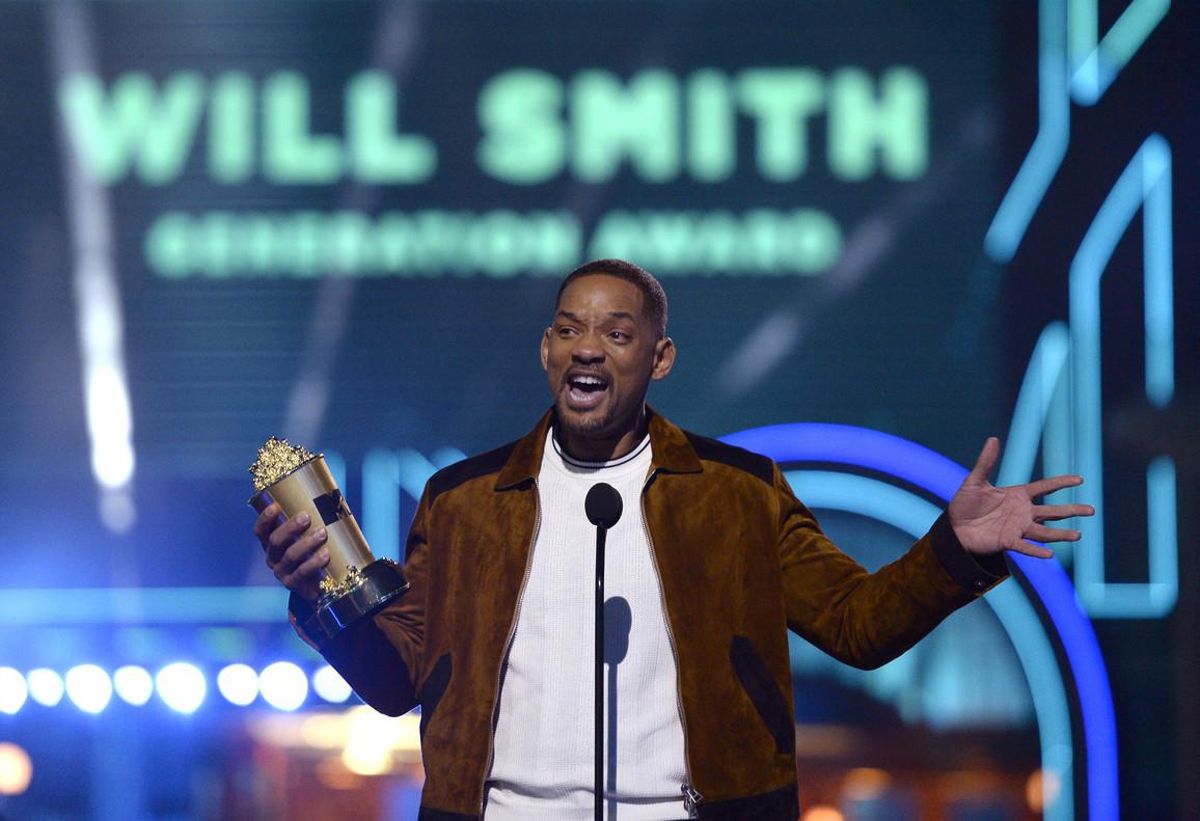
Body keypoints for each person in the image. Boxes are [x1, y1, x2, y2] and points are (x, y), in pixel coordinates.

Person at [254, 259, 1093, 821]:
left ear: (658, 358)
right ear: (547, 348)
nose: (589, 348)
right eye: (570, 329)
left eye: (617, 333)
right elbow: (400, 680)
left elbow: (858, 624)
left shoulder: (737, 494)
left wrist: (957, 548)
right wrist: (316, 594)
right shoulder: (466, 501)